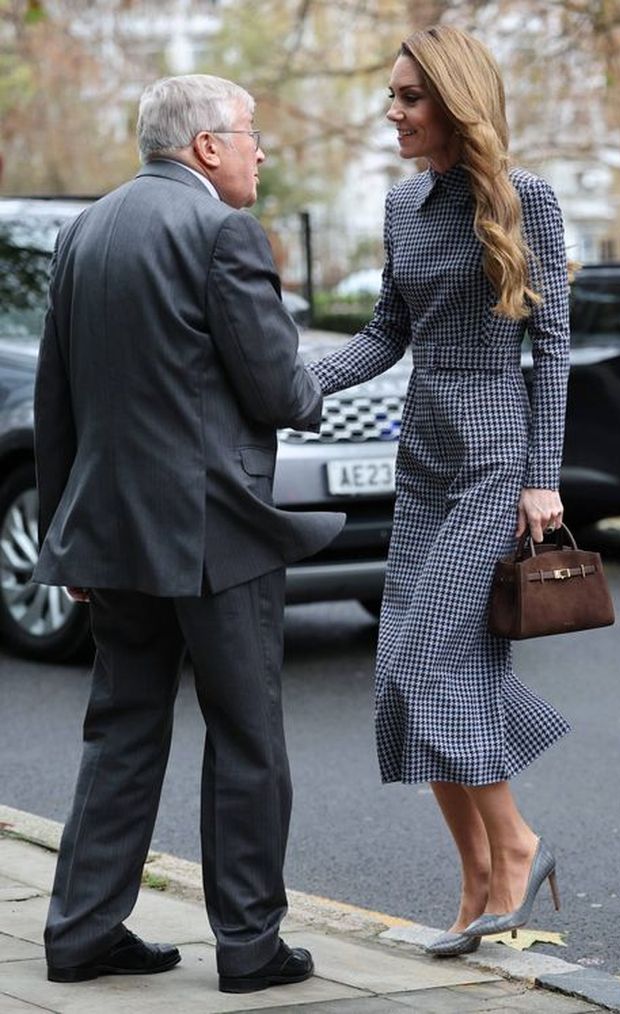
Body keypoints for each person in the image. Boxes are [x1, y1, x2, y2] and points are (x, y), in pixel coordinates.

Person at [34, 74, 344, 993]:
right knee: (247, 737)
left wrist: (66, 531)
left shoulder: (84, 230)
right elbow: (280, 390)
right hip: (218, 531)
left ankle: (82, 931)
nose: (261, 149)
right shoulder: (222, 232)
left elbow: (60, 398)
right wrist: (321, 378)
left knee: (120, 734)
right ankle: (249, 946)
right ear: (206, 145)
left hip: (112, 532)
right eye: (252, 133)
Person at [308, 26, 570, 956]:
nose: (393, 112)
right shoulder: (401, 206)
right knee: (400, 681)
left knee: (433, 666)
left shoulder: (524, 198)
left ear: (455, 101)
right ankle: (474, 886)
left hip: (497, 465)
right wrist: (301, 387)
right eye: (391, 96)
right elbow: (387, 331)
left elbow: (554, 347)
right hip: (423, 463)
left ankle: (518, 845)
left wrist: (543, 476)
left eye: (410, 97)